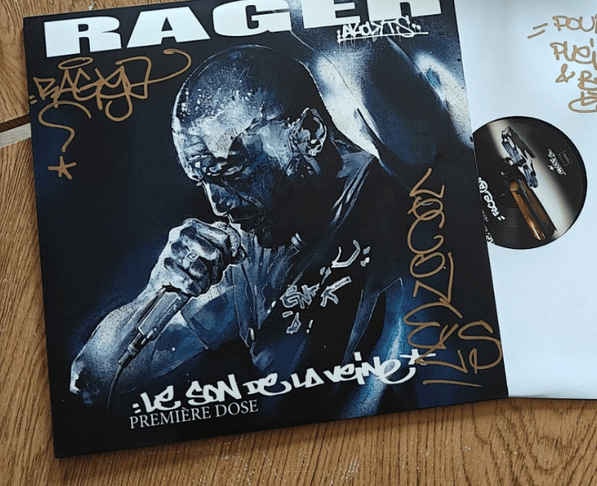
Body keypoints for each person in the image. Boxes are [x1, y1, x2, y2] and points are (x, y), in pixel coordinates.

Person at [69, 45, 424, 419]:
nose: (218, 205)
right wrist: (158, 289)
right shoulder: (248, 254)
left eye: (232, 172)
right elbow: (91, 380)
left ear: (308, 133)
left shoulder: (408, 205)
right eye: (204, 181)